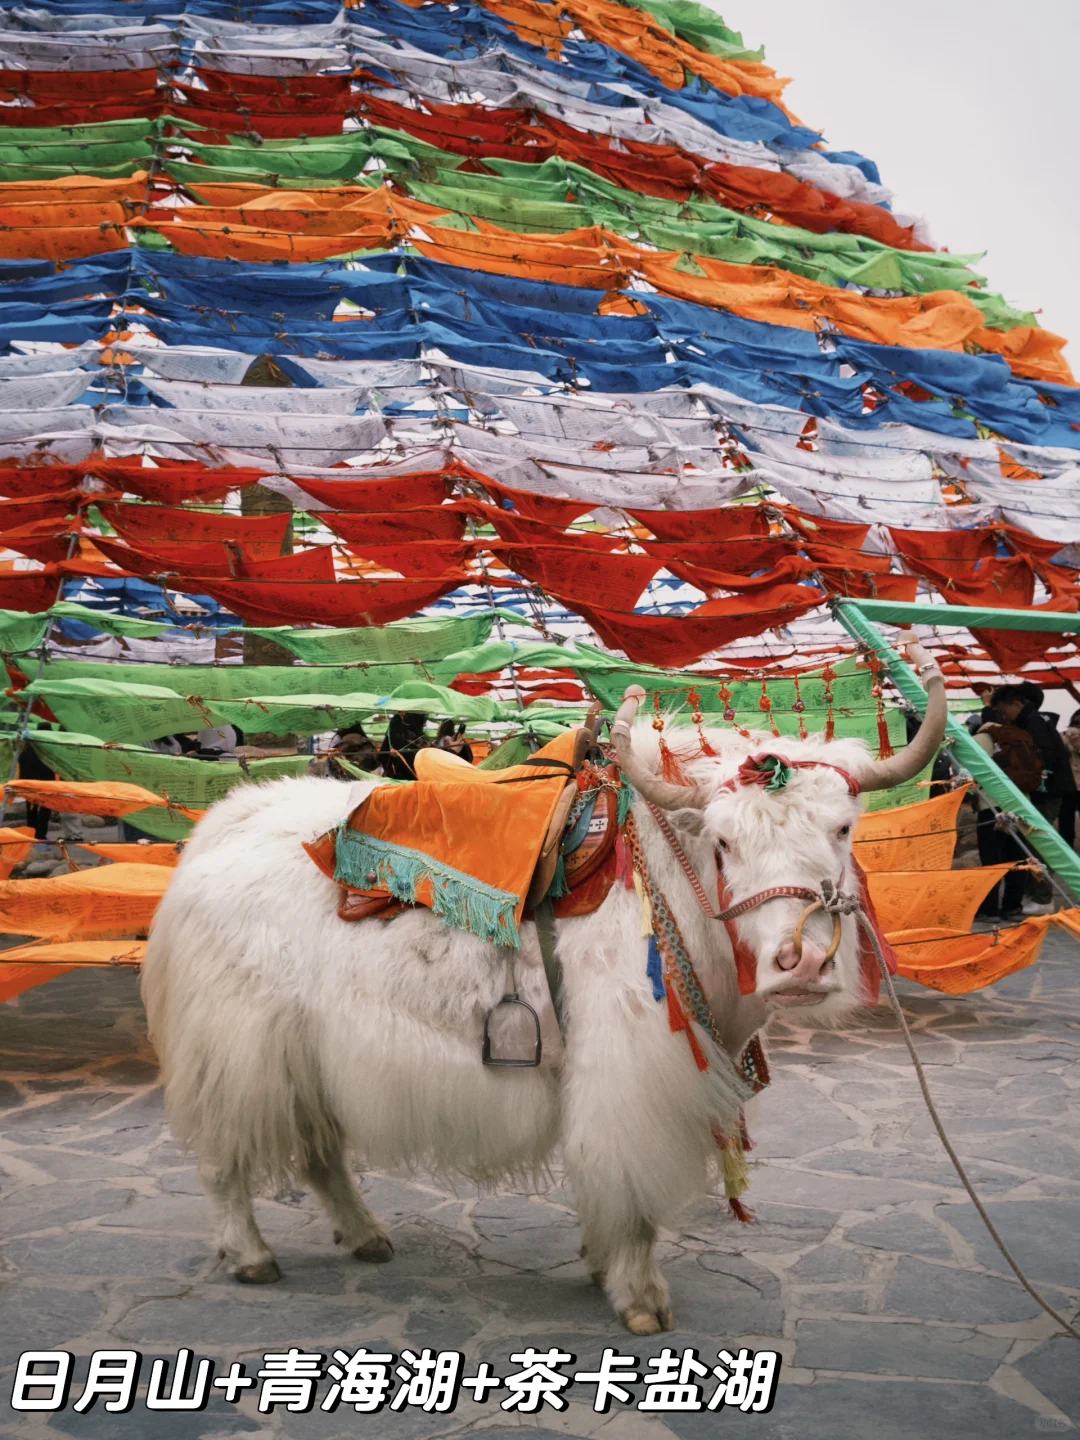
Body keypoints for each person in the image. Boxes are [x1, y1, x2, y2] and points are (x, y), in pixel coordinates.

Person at [378, 712, 428, 780]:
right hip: (407, 775)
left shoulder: (417, 736)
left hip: (411, 776)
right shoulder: (398, 733)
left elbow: (383, 756)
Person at [1060, 708, 1080, 846]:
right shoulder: (1063, 737)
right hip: (1068, 785)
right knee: (1066, 822)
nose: (1077, 726)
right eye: (1075, 722)